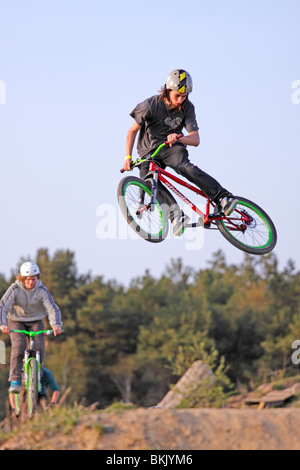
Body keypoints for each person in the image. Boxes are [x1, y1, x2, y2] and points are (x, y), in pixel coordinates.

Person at [123, 69, 237, 236]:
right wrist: (127, 158)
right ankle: (176, 216)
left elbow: (195, 139)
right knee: (147, 180)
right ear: (168, 90)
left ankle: (222, 197)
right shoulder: (150, 106)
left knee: (185, 167)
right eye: (178, 95)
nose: (181, 100)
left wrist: (179, 138)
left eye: (185, 96)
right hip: (149, 152)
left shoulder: (188, 108)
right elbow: (131, 132)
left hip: (172, 148)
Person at [0, 261, 63, 393]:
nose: (30, 282)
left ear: (37, 278)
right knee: (18, 346)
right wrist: (3, 324)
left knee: (39, 347)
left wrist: (56, 325)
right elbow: (3, 307)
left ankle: (37, 378)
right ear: (22, 279)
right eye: (28, 280)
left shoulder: (41, 290)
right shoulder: (14, 290)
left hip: (36, 321)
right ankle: (15, 380)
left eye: (33, 279)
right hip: (16, 321)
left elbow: (53, 308)